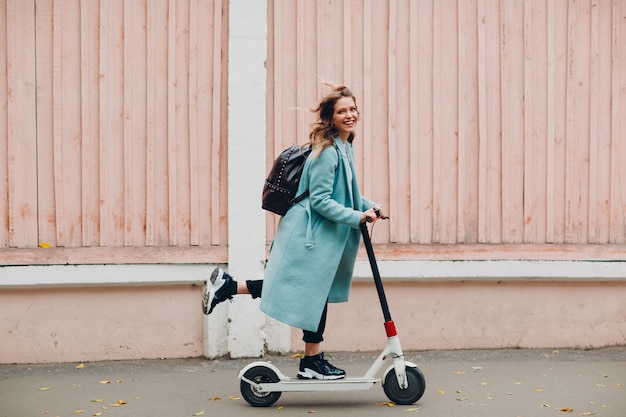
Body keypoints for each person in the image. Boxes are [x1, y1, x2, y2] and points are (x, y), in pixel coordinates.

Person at [202, 83, 381, 380]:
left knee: (311, 292)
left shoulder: (344, 146)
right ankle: (311, 361)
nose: (350, 115)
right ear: (330, 117)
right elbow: (322, 201)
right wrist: (357, 217)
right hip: (309, 233)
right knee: (309, 293)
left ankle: (230, 288)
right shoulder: (327, 153)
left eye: (352, 109)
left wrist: (369, 205)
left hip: (323, 234)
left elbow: (346, 193)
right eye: (342, 111)